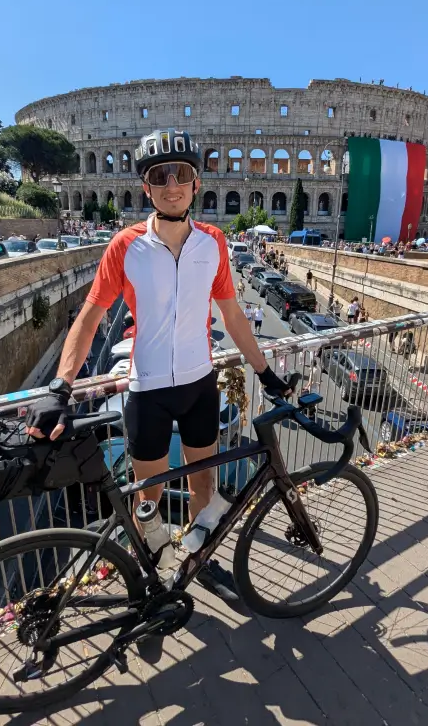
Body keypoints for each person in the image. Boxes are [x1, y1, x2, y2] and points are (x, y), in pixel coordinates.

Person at [24, 128, 291, 601]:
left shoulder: (214, 244)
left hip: (199, 387)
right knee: (146, 500)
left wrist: (267, 373)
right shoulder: (125, 246)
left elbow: (232, 316)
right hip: (146, 390)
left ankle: (198, 563)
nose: (172, 185)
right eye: (159, 176)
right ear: (146, 187)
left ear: (195, 183)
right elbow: (89, 318)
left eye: (181, 174)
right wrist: (60, 386)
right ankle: (149, 580)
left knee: (203, 489)